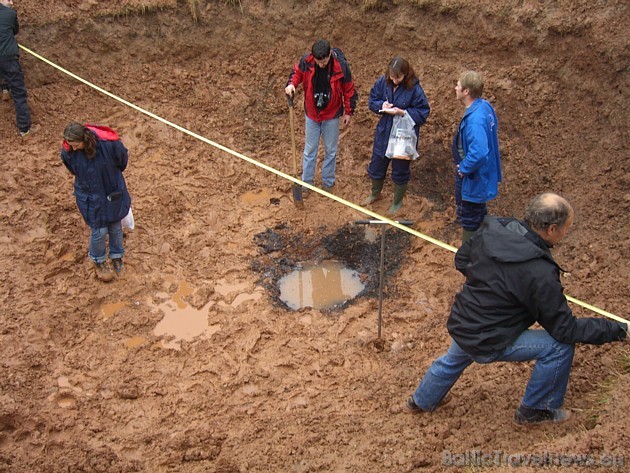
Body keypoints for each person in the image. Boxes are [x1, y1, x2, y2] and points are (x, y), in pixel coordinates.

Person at [406, 193, 628, 425]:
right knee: (559, 347)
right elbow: (565, 329)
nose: (566, 233)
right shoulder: (540, 272)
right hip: (491, 336)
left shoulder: (497, 227)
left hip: (465, 320)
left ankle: (421, 401)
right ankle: (536, 410)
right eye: (566, 228)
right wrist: (619, 330)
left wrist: (489, 286)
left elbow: (462, 259)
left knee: (454, 357)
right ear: (551, 229)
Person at [61, 123, 132, 282]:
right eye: (71, 146)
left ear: (84, 140)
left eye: (76, 145)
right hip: (89, 196)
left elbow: (122, 160)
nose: (73, 149)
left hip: (111, 190)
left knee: (115, 227)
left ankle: (117, 257)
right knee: (99, 231)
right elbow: (72, 168)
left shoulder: (109, 145)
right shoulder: (69, 152)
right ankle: (99, 261)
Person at [284, 39, 358, 192]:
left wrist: (348, 112)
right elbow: (297, 73)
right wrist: (292, 84)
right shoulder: (307, 61)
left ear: (329, 54)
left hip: (331, 115)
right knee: (310, 150)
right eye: (319, 62)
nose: (321, 65)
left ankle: (328, 182)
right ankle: (307, 183)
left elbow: (349, 89)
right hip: (312, 114)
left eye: (324, 62)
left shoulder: (341, 66)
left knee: (330, 150)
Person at [364, 57, 430, 214]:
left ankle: (397, 202)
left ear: (405, 74)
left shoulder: (414, 89)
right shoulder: (383, 82)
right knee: (377, 163)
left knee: (400, 168)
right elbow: (372, 100)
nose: (394, 80)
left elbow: (423, 112)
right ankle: (375, 193)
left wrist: (403, 112)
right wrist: (381, 105)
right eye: (392, 77)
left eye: (398, 77)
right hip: (384, 131)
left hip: (403, 135)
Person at [452, 70, 501, 243]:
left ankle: (470, 256)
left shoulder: (475, 120)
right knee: (478, 213)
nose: (455, 88)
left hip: (474, 177)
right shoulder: (484, 106)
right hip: (478, 174)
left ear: (466, 91)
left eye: (458, 85)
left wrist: (464, 168)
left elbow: (479, 152)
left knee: (470, 217)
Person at [0, 0, 31, 136]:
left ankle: (5, 89)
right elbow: (15, 30)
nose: (11, 2)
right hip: (8, 58)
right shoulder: (9, 14)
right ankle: (24, 129)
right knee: (19, 93)